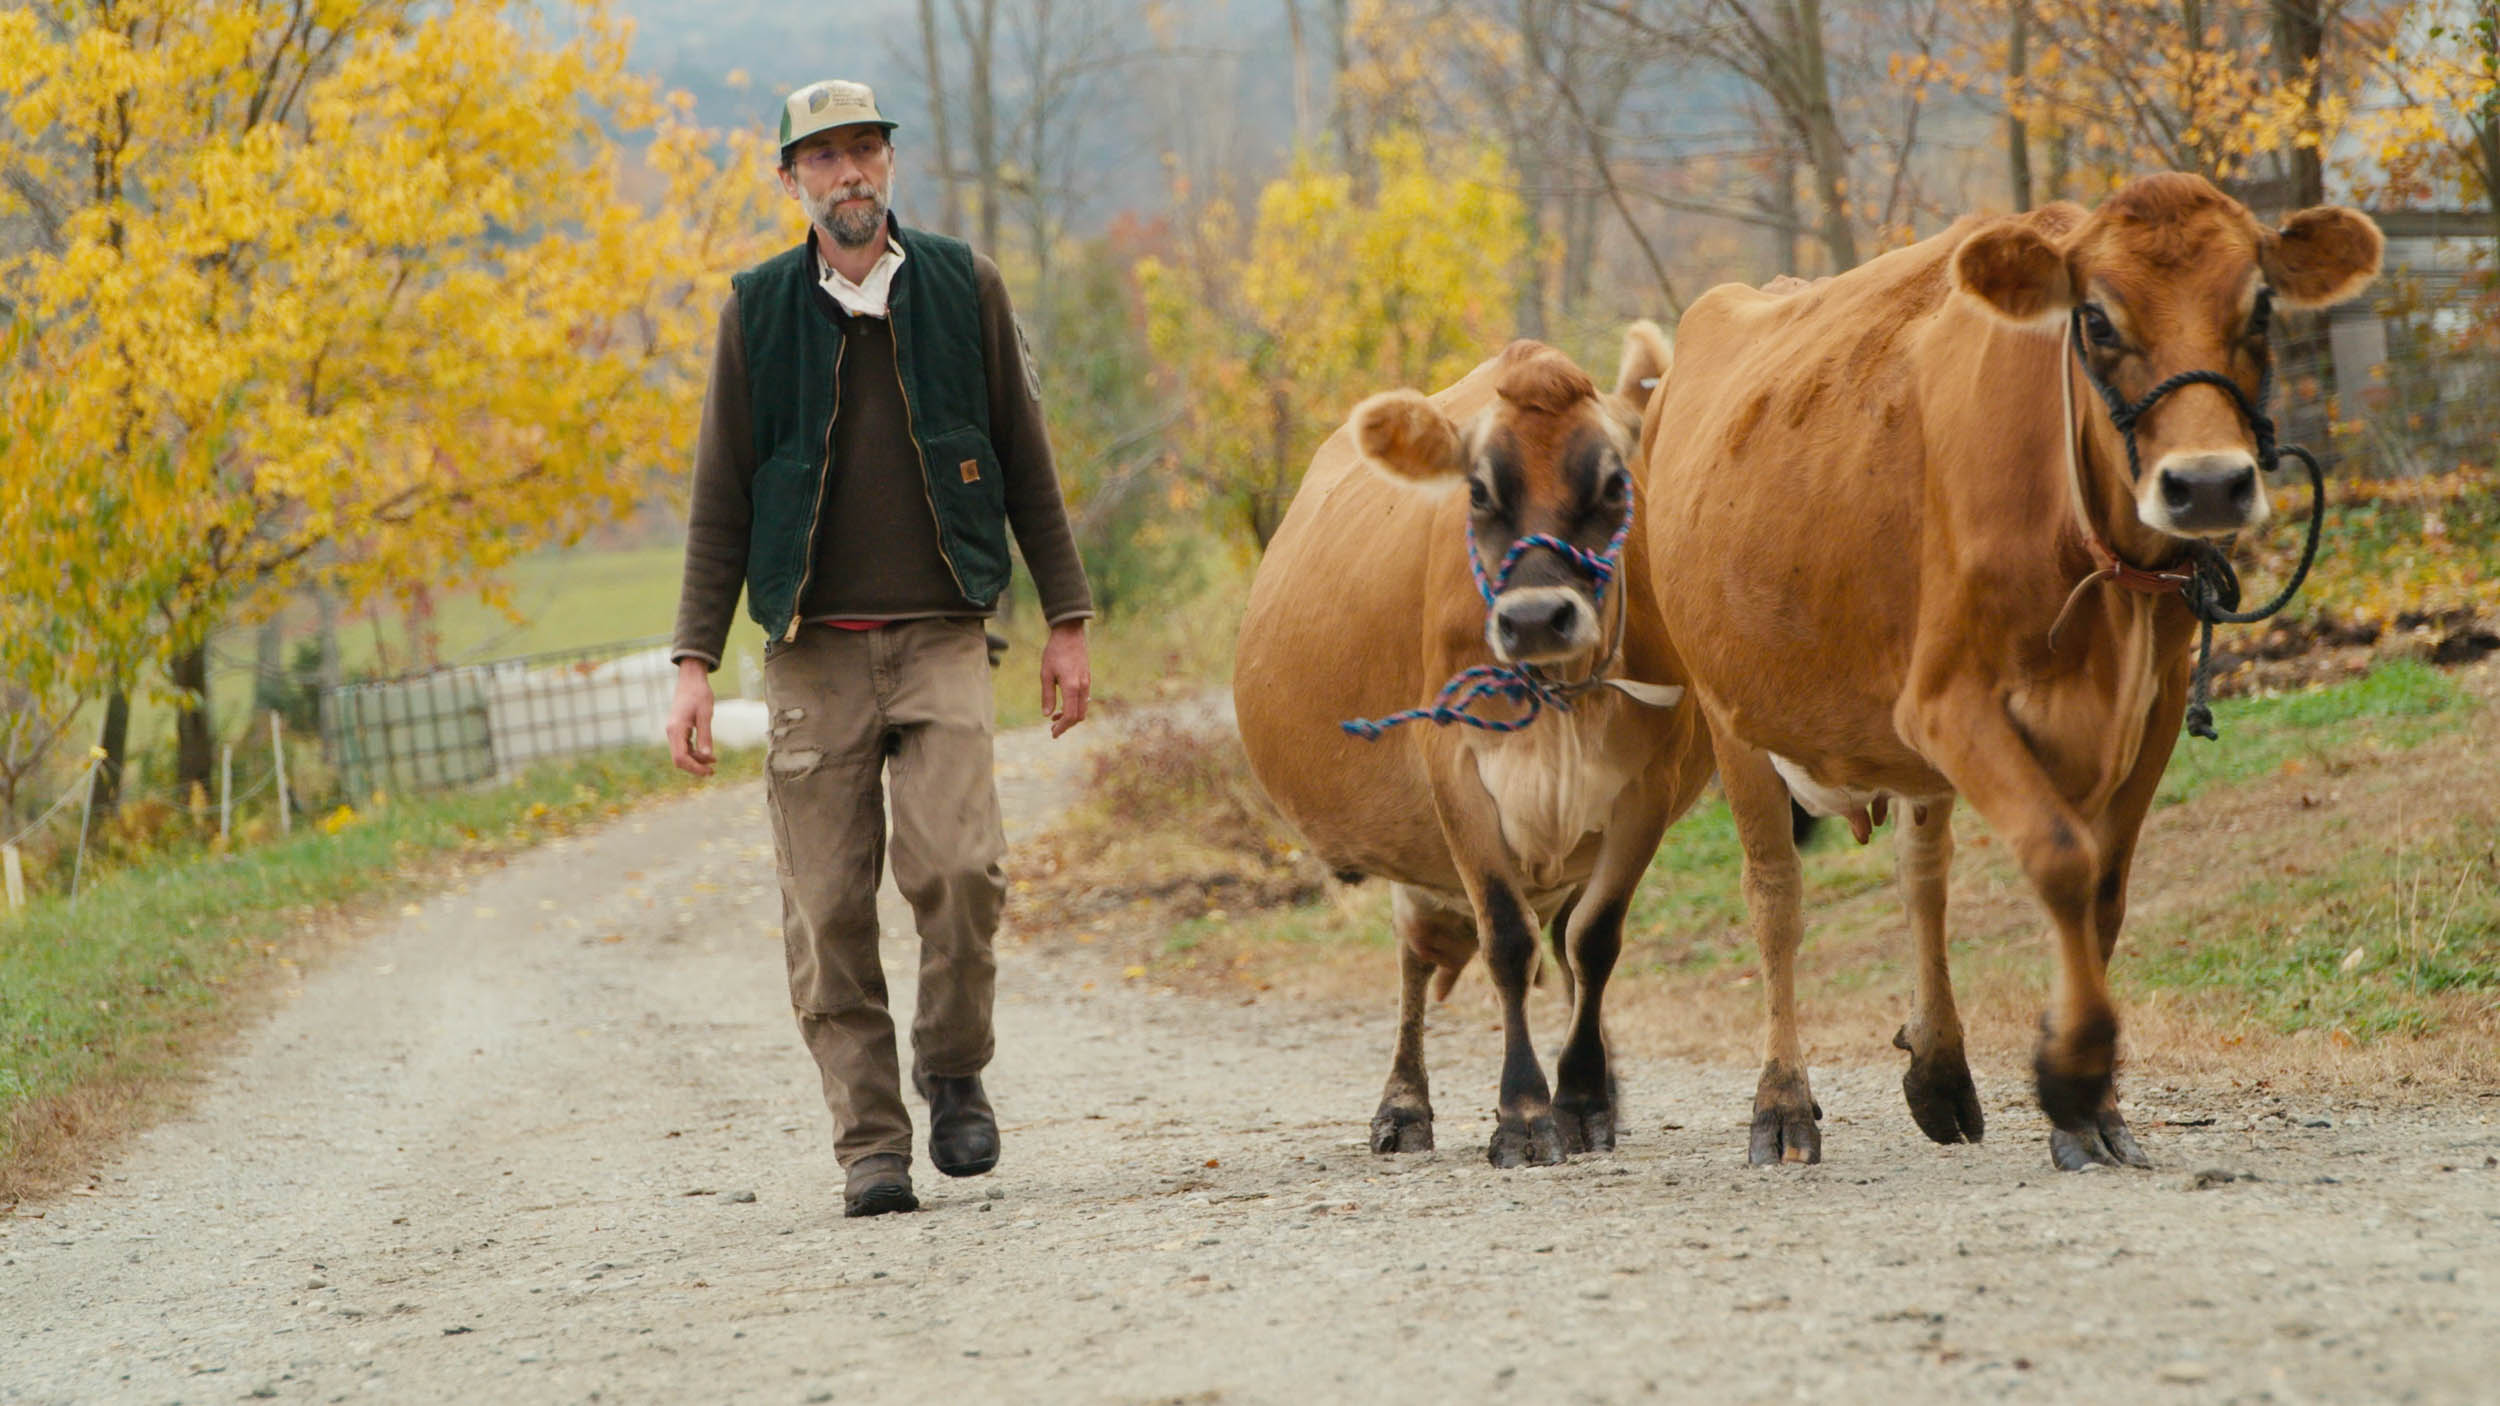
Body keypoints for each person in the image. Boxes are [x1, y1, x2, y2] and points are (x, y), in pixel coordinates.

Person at [664, 78, 1095, 1219]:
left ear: (889, 165)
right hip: (811, 650)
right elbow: (719, 499)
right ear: (792, 180)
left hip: (944, 628)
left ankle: (952, 1065)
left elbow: (1025, 459)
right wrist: (692, 660)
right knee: (827, 905)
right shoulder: (756, 312)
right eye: (824, 159)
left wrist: (1068, 619)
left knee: (959, 869)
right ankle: (871, 1142)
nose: (848, 174)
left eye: (864, 151)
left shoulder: (963, 286)